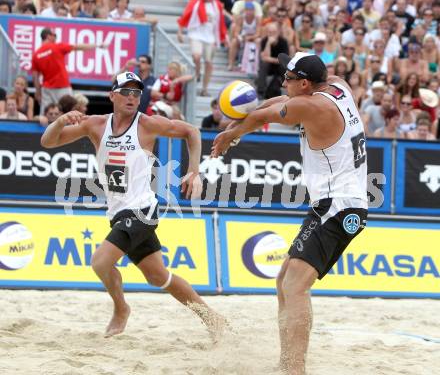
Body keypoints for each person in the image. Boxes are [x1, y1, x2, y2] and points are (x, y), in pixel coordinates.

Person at [211, 52, 368, 374]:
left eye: (289, 78)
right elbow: (281, 100)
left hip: (339, 205)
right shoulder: (337, 87)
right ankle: (288, 363)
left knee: (295, 285)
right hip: (333, 204)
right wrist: (245, 116)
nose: (283, 82)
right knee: (285, 280)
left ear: (306, 83)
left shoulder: (311, 106)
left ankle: (295, 369)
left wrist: (232, 132)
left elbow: (266, 115)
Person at [41, 72, 224, 338]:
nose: (131, 97)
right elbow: (48, 141)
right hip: (118, 211)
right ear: (112, 96)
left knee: (101, 262)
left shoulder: (147, 124)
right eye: (125, 92)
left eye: (137, 93)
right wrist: (59, 122)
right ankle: (212, 319)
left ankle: (121, 309)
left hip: (142, 209)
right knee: (159, 277)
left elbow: (191, 131)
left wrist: (194, 170)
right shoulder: (96, 125)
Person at [32, 27, 107, 115]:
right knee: (68, 114)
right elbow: (79, 47)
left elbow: (35, 76)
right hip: (62, 86)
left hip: (47, 89)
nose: (56, 38)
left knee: (46, 115)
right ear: (49, 36)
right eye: (55, 35)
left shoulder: (36, 54)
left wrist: (38, 92)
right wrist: (98, 45)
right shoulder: (57, 47)